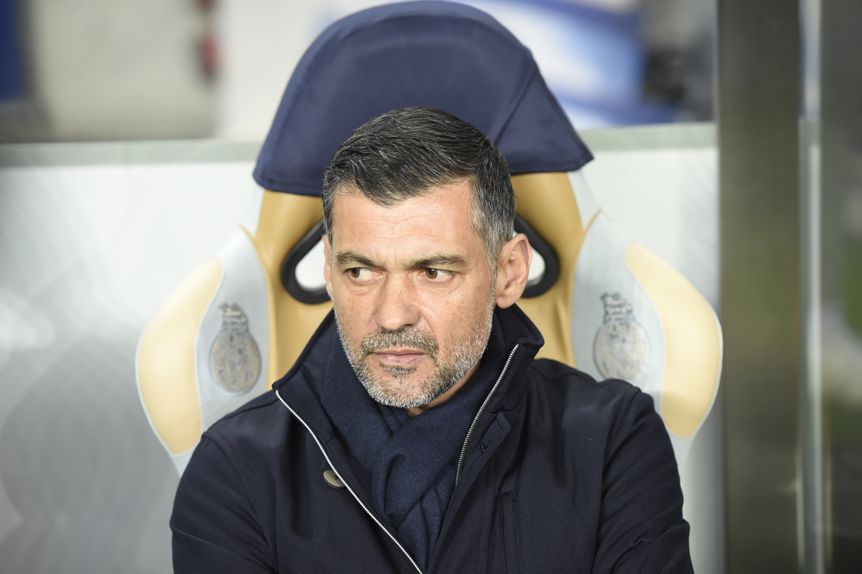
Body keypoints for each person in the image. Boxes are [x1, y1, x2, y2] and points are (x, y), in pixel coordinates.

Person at [171, 107, 693, 573]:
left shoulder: (612, 441)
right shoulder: (235, 470)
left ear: (509, 271)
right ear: (328, 269)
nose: (392, 315)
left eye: (433, 272)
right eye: (361, 271)